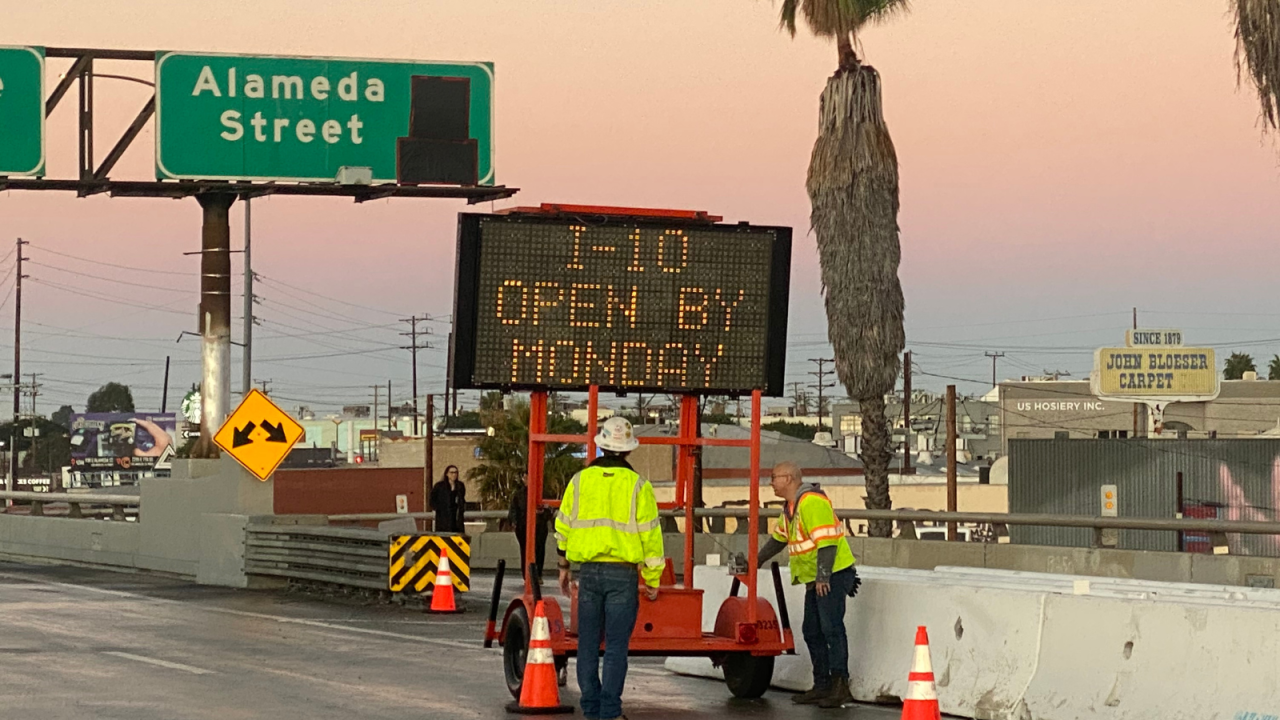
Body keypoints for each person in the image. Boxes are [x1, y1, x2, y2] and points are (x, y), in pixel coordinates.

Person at [555, 417, 664, 720]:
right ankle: (610, 712)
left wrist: (564, 567)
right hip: (623, 574)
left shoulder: (579, 481)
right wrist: (653, 578)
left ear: (601, 445)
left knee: (588, 645)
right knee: (616, 647)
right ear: (628, 451)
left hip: (588, 572)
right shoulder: (638, 485)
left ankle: (591, 709)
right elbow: (651, 537)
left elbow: (562, 527)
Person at [757, 461, 859, 709]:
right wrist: (756, 560)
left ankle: (839, 685)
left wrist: (823, 576)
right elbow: (779, 539)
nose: (770, 482)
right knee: (812, 630)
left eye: (774, 477)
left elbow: (827, 542)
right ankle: (822, 684)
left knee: (831, 628)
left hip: (831, 574)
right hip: (817, 578)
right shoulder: (791, 508)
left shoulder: (811, 502)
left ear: (789, 478)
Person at [509, 475, 552, 578]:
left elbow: (550, 510)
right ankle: (527, 575)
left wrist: (542, 513)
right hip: (523, 527)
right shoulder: (518, 495)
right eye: (525, 478)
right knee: (525, 551)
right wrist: (514, 522)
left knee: (539, 551)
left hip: (539, 527)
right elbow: (513, 510)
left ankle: (538, 574)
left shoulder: (543, 493)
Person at [430, 465, 467, 534]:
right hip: (443, 518)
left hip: (456, 517)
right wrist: (439, 509)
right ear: (447, 474)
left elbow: (462, 498)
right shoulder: (439, 486)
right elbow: (432, 500)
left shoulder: (460, 485)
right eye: (451, 472)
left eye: (456, 473)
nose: (454, 475)